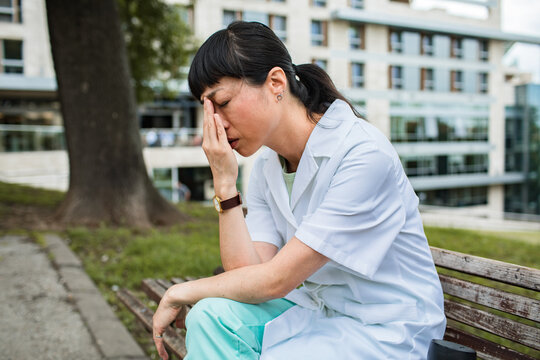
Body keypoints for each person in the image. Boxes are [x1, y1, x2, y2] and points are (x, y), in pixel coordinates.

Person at [152, 21, 446, 360]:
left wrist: (180, 292)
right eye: (206, 109)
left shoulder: (363, 153)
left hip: (386, 328)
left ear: (275, 82)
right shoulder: (266, 166)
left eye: (223, 103)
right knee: (209, 317)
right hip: (319, 311)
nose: (215, 122)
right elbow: (247, 272)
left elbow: (275, 280)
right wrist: (224, 184)